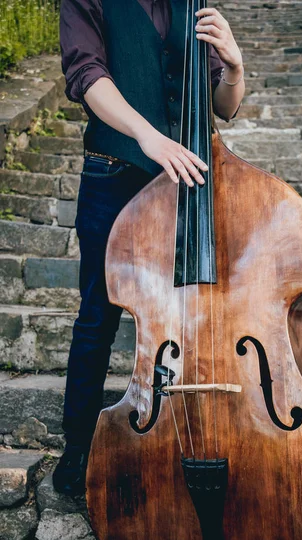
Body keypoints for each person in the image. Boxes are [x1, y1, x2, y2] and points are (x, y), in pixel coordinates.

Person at [53, 0, 245, 496]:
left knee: (191, 312)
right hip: (114, 170)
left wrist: (234, 66)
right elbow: (86, 72)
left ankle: (184, 435)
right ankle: (78, 447)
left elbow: (224, 105)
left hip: (187, 184)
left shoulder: (192, 4)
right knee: (98, 315)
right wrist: (147, 135)